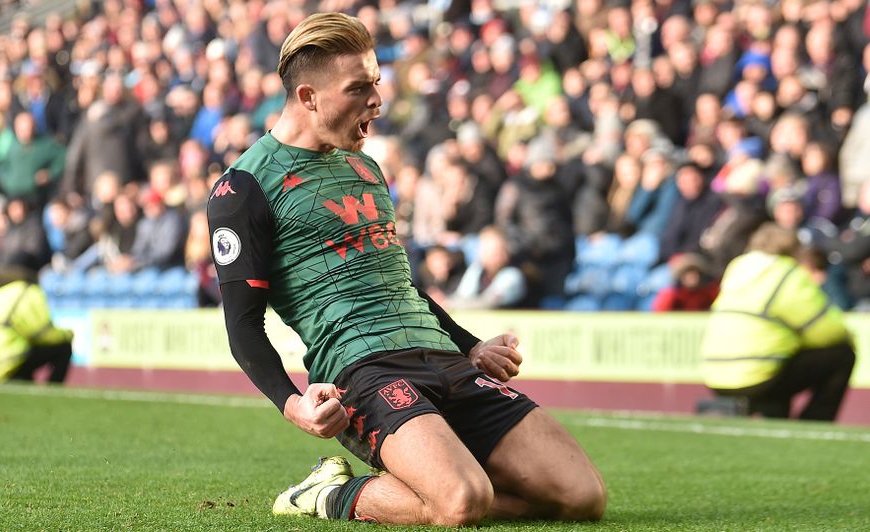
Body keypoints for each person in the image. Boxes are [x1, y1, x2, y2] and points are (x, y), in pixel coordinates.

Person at [207, 13, 605, 526]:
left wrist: (472, 346)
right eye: (359, 88)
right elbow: (241, 324)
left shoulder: (366, 167)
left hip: (442, 358)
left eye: (376, 82)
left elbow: (398, 284)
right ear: (308, 97)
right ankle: (332, 495)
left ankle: (443, 481)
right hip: (362, 372)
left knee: (581, 497)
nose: (377, 100)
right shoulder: (244, 188)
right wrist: (293, 404)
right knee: (462, 502)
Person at [700, 224, 855, 421]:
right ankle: (813, 425)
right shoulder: (786, 273)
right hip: (757, 375)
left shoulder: (737, 267)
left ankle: (773, 414)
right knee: (842, 354)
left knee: (783, 357)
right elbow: (826, 329)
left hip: (715, 374)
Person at [0, 263, 74, 384]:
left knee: (26, 347)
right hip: (6, 363)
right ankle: (52, 393)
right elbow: (42, 333)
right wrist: (67, 335)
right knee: (63, 347)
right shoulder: (26, 290)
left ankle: (24, 379)